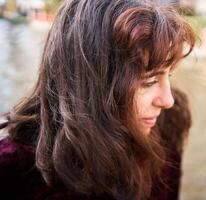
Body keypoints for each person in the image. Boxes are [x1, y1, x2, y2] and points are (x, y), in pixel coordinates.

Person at [0, 0, 195, 199]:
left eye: (168, 75)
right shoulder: (13, 171)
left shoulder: (168, 128)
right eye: (149, 80)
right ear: (92, 83)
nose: (167, 100)